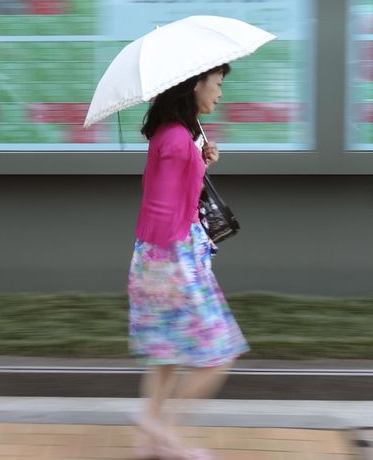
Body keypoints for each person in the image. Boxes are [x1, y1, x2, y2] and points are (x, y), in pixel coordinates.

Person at [128, 63, 248, 460]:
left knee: (165, 352)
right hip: (174, 257)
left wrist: (201, 162)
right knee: (219, 353)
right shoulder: (179, 140)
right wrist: (177, 265)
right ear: (195, 84)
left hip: (158, 254)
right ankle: (167, 430)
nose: (220, 93)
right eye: (216, 85)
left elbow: (172, 195)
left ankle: (151, 436)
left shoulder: (174, 136)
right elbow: (166, 209)